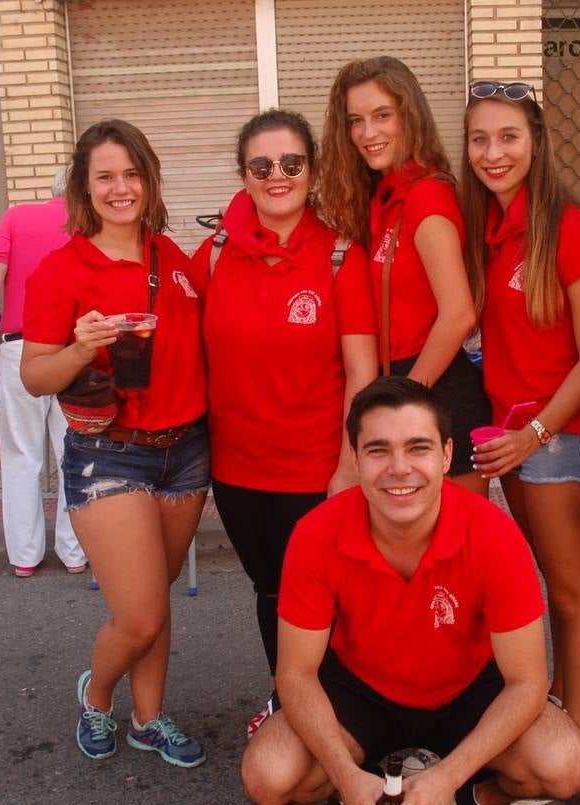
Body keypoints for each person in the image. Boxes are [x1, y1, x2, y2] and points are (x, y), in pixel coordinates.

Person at [240, 376, 580, 805]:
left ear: (447, 455)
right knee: (267, 777)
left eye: (418, 448)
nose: (399, 468)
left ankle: (481, 802)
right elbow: (295, 672)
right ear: (355, 460)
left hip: (465, 687)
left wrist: (447, 777)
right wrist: (345, 777)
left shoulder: (493, 533)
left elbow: (528, 682)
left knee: (566, 767)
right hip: (360, 687)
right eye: (378, 450)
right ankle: (355, 801)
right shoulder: (317, 532)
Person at [20, 120, 208, 766]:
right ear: (84, 186)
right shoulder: (61, 269)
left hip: (186, 452)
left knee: (153, 602)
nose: (120, 187)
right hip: (111, 452)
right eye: (105, 176)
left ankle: (148, 719)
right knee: (140, 615)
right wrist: (80, 348)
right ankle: (97, 695)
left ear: (148, 180)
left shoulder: (173, 258)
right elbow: (33, 374)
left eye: (131, 174)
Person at [190, 109, 376, 727]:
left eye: (291, 163)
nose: (277, 176)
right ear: (243, 175)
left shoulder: (341, 254)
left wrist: (350, 466)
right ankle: (291, 707)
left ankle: (346, 719)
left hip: (315, 469)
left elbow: (361, 374)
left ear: (313, 171)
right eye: (261, 165)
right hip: (237, 469)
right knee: (270, 591)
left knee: (327, 601)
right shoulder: (215, 253)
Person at [459, 81, 580, 737]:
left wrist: (536, 432)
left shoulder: (568, 230)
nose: (493, 152)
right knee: (545, 588)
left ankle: (571, 740)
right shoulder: (489, 227)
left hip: (557, 438)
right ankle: (554, 716)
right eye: (479, 139)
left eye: (508, 136)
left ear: (537, 143)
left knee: (573, 596)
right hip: (511, 437)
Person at [316, 55, 491, 495]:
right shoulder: (384, 199)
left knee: (454, 553)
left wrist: (403, 401)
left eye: (381, 116)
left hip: (439, 389)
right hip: (406, 385)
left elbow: (458, 315)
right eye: (356, 121)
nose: (368, 133)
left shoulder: (426, 196)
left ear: (408, 115)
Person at [0, 167, 87, 579]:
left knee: (20, 457)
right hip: (74, 353)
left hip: (19, 348)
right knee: (76, 455)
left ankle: (25, 556)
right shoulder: (90, 222)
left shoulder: (16, 218)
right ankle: (75, 553)